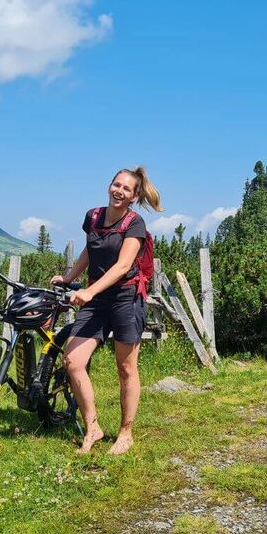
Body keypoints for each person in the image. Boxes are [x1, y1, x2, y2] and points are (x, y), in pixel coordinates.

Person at [51, 167, 163, 454]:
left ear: (134, 196)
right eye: (116, 185)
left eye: (126, 189)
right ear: (109, 186)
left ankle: (126, 432)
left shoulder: (134, 223)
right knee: (73, 362)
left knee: (126, 368)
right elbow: (90, 250)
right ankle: (93, 427)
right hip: (97, 300)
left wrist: (89, 291)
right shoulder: (93, 217)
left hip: (126, 298)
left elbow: (123, 265)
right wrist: (69, 277)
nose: (119, 191)